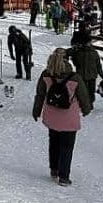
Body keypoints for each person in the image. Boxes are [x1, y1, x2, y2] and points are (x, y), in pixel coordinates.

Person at [32, 47, 91, 186]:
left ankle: (54, 169)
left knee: (54, 143)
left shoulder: (46, 74)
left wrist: (36, 111)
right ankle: (64, 176)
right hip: (69, 118)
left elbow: (40, 94)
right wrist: (86, 109)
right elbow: (83, 96)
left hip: (51, 116)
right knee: (67, 146)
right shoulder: (74, 77)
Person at [68, 28, 103, 110]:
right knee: (90, 91)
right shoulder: (94, 53)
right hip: (91, 75)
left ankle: (85, 104)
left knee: (83, 91)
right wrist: (102, 76)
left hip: (82, 75)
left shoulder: (78, 52)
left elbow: (74, 61)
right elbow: (98, 66)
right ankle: (89, 104)